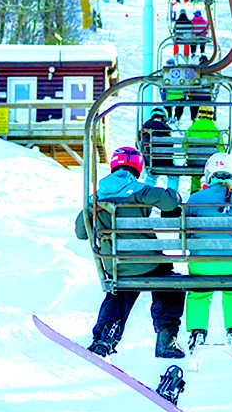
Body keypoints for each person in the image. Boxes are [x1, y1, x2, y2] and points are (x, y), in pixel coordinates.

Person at [75, 146, 187, 360]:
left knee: (120, 288)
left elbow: (81, 232)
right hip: (149, 263)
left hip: (116, 266)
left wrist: (91, 206)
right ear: (137, 167)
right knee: (171, 282)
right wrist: (174, 193)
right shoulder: (140, 190)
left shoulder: (96, 198)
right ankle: (166, 338)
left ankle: (105, 336)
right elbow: (171, 201)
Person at [184, 153, 232, 355]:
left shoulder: (195, 199)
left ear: (209, 175)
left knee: (199, 292)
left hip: (201, 264)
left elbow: (187, 231)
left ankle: (197, 333)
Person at [184, 105, 225, 193]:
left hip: (194, 162)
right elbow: (221, 149)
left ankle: (194, 194)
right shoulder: (216, 131)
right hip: (210, 162)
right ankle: (210, 194)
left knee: (195, 177)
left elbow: (185, 146)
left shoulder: (191, 129)